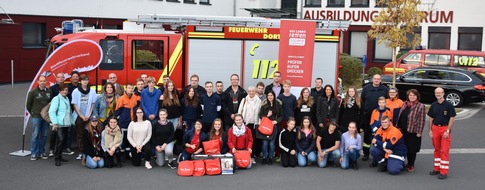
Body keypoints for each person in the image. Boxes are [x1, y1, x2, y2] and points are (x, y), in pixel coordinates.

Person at [427, 87, 456, 179]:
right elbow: (431, 118)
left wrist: (447, 131)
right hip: (435, 128)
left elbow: (452, 118)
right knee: (436, 149)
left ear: (443, 93)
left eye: (440, 92)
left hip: (444, 128)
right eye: (436, 93)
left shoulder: (448, 105)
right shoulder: (433, 105)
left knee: (444, 150)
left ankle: (444, 172)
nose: (438, 94)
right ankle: (437, 168)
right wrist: (430, 130)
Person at [397, 89, 426, 173]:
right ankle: (402, 163)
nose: (412, 97)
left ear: (417, 96)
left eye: (414, 95)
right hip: (402, 130)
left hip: (413, 131)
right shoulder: (404, 104)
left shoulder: (421, 106)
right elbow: (400, 116)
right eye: (410, 95)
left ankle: (411, 164)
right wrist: (398, 127)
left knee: (412, 149)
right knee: (403, 147)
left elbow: (421, 120)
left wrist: (419, 132)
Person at [361, 74, 388, 161]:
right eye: (375, 79)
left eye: (378, 79)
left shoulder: (384, 89)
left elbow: (386, 101)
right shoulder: (366, 88)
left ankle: (378, 153)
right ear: (372, 79)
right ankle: (366, 153)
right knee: (367, 134)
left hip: (381, 115)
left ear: (380, 80)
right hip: (368, 115)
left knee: (381, 134)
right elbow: (362, 100)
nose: (376, 80)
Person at [71, 74, 97, 161]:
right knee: (80, 134)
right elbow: (74, 104)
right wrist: (81, 116)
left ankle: (90, 151)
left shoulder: (92, 91)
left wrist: (89, 115)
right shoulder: (75, 91)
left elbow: (93, 103)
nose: (85, 82)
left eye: (86, 80)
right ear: (80, 81)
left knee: (90, 133)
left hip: (88, 115)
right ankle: (81, 152)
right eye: (83, 80)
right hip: (79, 115)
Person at [26, 76, 53, 161]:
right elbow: (28, 105)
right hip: (36, 117)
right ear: (38, 82)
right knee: (35, 135)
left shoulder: (49, 91)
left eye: (44, 81)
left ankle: (42, 152)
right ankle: (34, 153)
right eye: (41, 81)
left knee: (44, 135)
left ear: (46, 81)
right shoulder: (33, 92)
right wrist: (33, 113)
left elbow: (50, 104)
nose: (42, 83)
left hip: (45, 118)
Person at [48, 83, 74, 166]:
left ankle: (60, 156)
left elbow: (68, 112)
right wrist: (55, 123)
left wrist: (71, 121)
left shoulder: (66, 98)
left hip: (66, 123)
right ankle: (57, 158)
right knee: (60, 140)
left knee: (63, 141)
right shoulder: (56, 99)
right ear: (59, 91)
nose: (64, 91)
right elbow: (51, 111)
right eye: (63, 90)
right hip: (59, 124)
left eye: (66, 90)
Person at [237, 86, 262, 164]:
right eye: (250, 91)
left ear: (255, 92)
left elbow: (260, 113)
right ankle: (245, 156)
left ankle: (252, 157)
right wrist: (238, 122)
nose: (251, 93)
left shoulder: (258, 101)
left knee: (253, 141)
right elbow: (239, 111)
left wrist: (260, 123)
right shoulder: (244, 100)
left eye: (253, 91)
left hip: (255, 123)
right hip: (245, 123)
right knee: (245, 140)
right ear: (248, 92)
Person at [115, 83, 139, 161]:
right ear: (126, 89)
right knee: (122, 140)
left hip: (133, 122)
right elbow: (117, 112)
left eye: (132, 88)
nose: (130, 90)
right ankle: (122, 155)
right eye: (129, 88)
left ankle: (128, 155)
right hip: (124, 123)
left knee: (130, 139)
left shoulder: (135, 98)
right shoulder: (121, 99)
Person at [259, 90, 282, 165]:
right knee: (265, 143)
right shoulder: (264, 105)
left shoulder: (278, 105)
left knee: (272, 143)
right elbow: (260, 115)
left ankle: (270, 157)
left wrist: (276, 121)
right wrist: (267, 116)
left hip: (274, 126)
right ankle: (265, 157)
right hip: (265, 126)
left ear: (274, 96)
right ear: (266, 96)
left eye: (271, 95)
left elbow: (281, 116)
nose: (270, 97)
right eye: (268, 95)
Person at [48, 72, 67, 157]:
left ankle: (60, 151)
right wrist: (54, 121)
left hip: (63, 117)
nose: (61, 79)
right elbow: (51, 106)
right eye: (59, 77)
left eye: (62, 77)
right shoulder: (52, 89)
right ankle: (52, 149)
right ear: (56, 78)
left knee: (62, 136)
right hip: (55, 117)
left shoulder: (66, 87)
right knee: (54, 134)